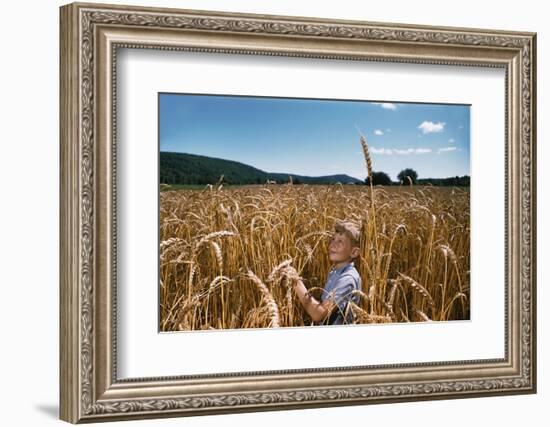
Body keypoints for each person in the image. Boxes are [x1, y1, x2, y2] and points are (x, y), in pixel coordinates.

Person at [292, 220, 362, 325]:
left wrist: (296, 283)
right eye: (333, 239)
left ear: (354, 252)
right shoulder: (335, 271)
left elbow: (319, 315)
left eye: (340, 241)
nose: (333, 244)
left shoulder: (348, 278)